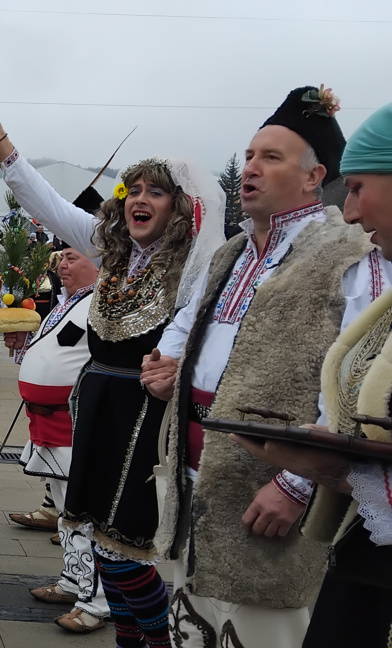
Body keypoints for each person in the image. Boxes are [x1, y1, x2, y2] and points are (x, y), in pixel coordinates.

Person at [142, 86, 392, 647]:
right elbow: (190, 325)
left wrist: (298, 483)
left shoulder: (350, 251)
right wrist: (170, 366)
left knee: (261, 628)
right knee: (193, 624)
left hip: (270, 490)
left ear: (313, 176)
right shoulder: (231, 251)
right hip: (194, 482)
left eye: (270, 158)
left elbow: (359, 378)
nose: (250, 168)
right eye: (250, 156)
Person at [0, 105, 225, 644]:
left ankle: (156, 640)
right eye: (134, 189)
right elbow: (51, 207)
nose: (140, 200)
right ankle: (133, 639)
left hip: (144, 419)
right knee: (103, 553)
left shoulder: (195, 267)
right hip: (97, 411)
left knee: (127, 555)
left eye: (156, 191)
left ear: (179, 207)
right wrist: (1, 144)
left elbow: (206, 342)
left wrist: (176, 368)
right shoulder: (111, 250)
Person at [226, 100, 392, 646]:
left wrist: (309, 472)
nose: (350, 211)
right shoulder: (233, 252)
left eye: (359, 187)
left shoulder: (350, 256)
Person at [13, 246, 108, 633]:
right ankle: (73, 580)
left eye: (72, 257)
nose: (62, 265)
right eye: (62, 259)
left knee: (85, 514)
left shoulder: (103, 305)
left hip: (76, 424)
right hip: (47, 423)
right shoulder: (67, 302)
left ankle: (97, 601)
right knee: (66, 512)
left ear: (98, 263)